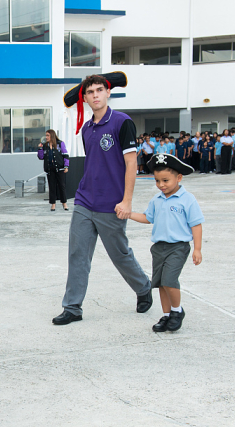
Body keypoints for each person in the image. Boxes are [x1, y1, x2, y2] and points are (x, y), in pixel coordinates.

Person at [53, 73, 152, 326]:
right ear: (85, 98)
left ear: (108, 93)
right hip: (85, 200)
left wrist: (127, 201)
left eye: (99, 90)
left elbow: (131, 164)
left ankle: (143, 287)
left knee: (119, 255)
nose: (95, 95)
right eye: (90, 92)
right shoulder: (86, 129)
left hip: (112, 204)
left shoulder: (122, 122)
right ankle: (72, 307)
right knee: (78, 255)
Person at [129, 154, 204, 332]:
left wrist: (197, 249)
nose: (161, 185)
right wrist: (129, 214)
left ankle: (177, 311)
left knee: (170, 280)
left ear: (179, 178)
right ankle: (166, 315)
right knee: (161, 283)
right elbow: (148, 218)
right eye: (157, 181)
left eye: (165, 180)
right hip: (159, 248)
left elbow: (196, 224)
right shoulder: (157, 200)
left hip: (178, 247)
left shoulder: (187, 199)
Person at [38, 129, 70, 211]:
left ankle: (64, 203)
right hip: (50, 169)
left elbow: (65, 155)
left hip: (60, 169)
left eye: (48, 135)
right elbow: (41, 157)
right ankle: (53, 204)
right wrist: (40, 149)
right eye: (46, 135)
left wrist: (66, 166)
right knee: (52, 187)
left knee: (62, 186)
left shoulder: (60, 143)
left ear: (52, 136)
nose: (46, 137)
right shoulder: (45, 146)